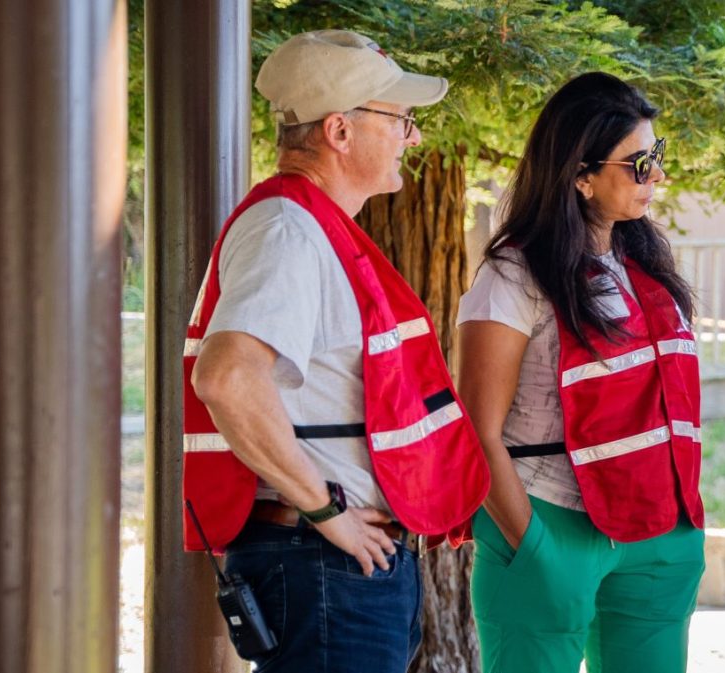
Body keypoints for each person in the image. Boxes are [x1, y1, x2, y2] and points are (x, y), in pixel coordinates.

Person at [181, 29, 488, 673]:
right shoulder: (288, 230)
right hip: (323, 560)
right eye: (399, 118)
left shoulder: (307, 224)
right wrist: (326, 510)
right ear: (339, 132)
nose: (412, 135)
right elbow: (228, 376)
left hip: (336, 564)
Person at [454, 72, 707, 673]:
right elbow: (475, 430)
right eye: (639, 163)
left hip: (658, 534)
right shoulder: (513, 276)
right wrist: (532, 546)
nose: (657, 176)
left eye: (658, 156)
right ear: (580, 175)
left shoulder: (641, 261)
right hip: (548, 518)